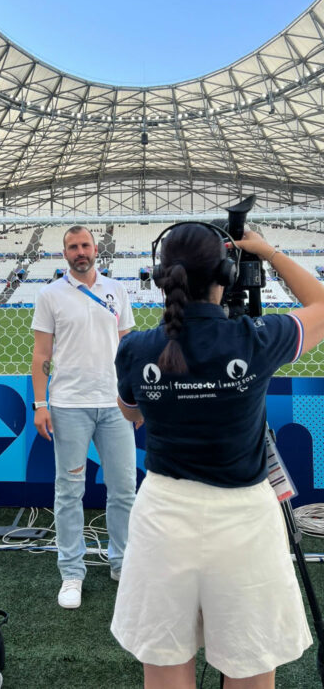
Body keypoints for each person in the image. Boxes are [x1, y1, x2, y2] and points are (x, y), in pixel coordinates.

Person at [111, 223, 324, 689]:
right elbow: (323, 305)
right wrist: (267, 251)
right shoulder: (255, 338)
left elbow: (132, 413)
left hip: (162, 517)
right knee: (249, 667)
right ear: (226, 274)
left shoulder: (136, 348)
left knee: (165, 667)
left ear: (160, 275)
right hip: (244, 519)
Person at [31, 225, 137, 609]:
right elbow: (42, 354)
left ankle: (121, 562)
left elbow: (128, 348)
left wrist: (134, 399)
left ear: (96, 249)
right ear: (65, 254)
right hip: (68, 405)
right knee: (69, 492)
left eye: (85, 245)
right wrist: (40, 404)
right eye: (73, 247)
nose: (80, 251)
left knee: (124, 489)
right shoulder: (50, 295)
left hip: (114, 405)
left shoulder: (117, 290)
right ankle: (71, 572)